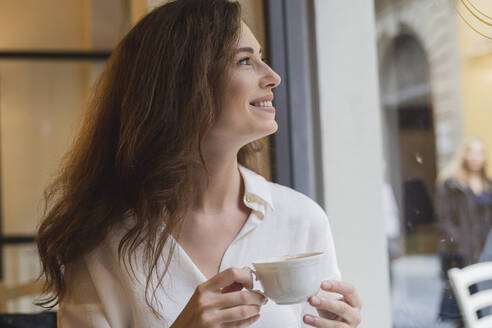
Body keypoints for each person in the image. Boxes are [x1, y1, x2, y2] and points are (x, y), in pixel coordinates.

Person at [36, 0, 362, 327]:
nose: (273, 76)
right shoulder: (100, 247)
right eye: (246, 60)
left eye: (261, 57)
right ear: (182, 84)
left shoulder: (302, 220)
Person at [436, 137, 492, 326]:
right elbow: (444, 218)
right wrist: (457, 243)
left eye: (479, 153)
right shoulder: (452, 184)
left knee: (483, 302)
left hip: (484, 251)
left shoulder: (488, 185)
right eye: (472, 152)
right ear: (464, 155)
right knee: (461, 305)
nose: (475, 158)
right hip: (461, 252)